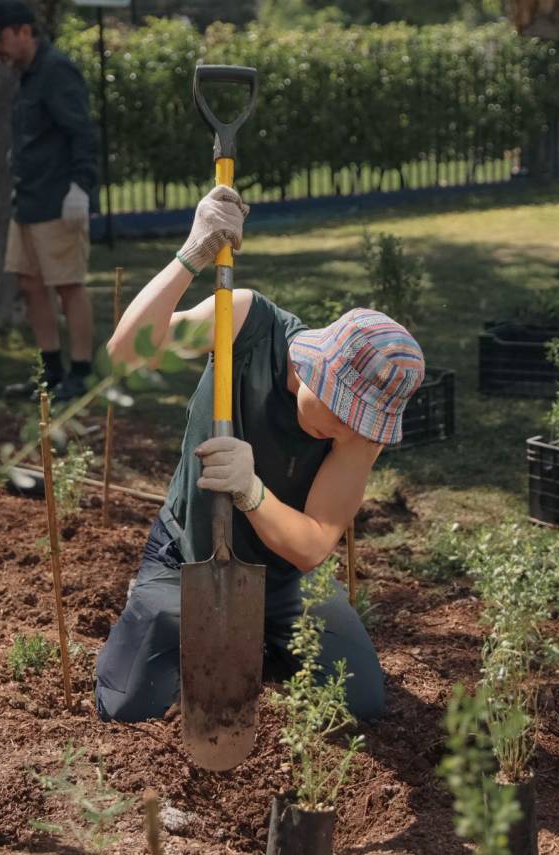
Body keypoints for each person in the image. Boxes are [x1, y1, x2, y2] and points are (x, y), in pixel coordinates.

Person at [93, 187, 425, 724]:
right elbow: (126, 353)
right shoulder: (245, 324)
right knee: (128, 704)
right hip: (190, 558)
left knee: (360, 701)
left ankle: (257, 637)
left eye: (363, 422)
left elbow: (313, 544)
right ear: (320, 367)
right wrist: (191, 256)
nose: (349, 430)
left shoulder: (359, 435)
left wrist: (252, 492)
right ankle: (175, 612)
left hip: (284, 577)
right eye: (344, 409)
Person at [0, 0, 99, 402]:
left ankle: (81, 371)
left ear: (24, 32)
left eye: (1, 39)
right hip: (27, 200)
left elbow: (81, 131)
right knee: (30, 285)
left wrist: (80, 186)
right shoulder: (28, 75)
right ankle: (50, 371)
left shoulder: (56, 70)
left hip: (57, 198)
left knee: (67, 286)